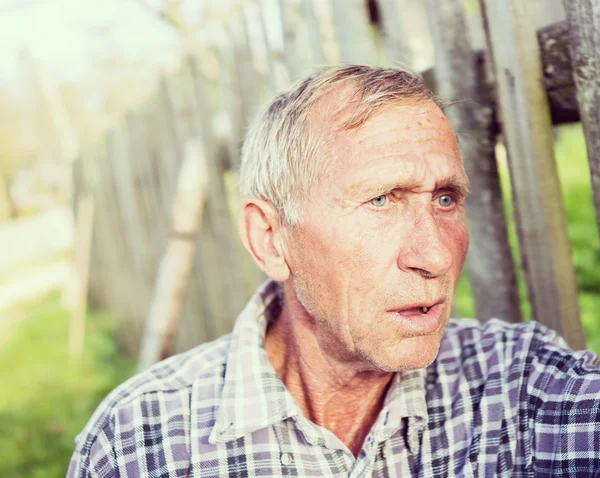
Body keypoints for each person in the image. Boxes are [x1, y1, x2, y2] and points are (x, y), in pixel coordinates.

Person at [68, 65, 600, 477]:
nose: (436, 256)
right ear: (271, 239)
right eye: (381, 200)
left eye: (444, 198)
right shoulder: (140, 442)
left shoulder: (518, 386)